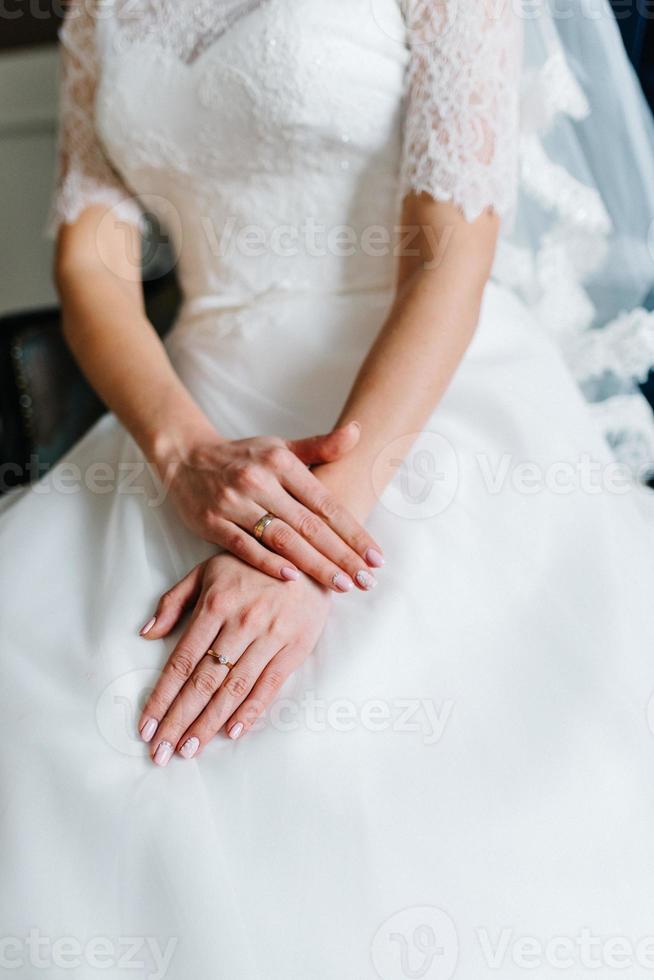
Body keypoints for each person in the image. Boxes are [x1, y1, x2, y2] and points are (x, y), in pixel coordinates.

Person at [1, 1, 654, 977]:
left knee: (337, 742)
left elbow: (451, 248)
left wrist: (317, 536)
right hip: (192, 410)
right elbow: (92, 256)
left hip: (415, 392)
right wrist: (186, 458)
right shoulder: (100, 5)